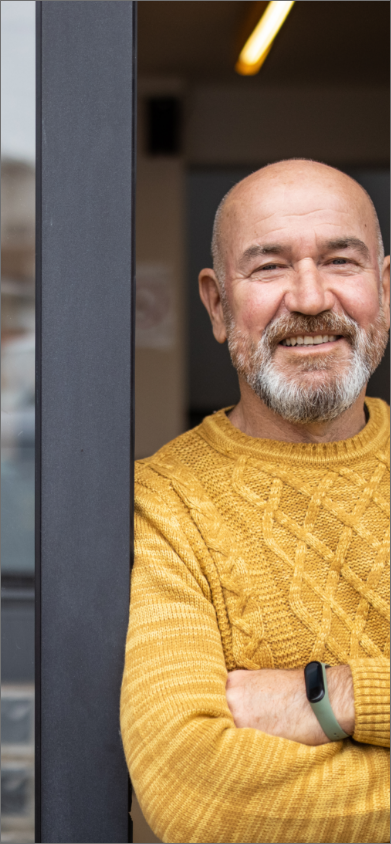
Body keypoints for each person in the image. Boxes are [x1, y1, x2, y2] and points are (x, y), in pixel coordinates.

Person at [120, 159, 390, 844]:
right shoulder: (163, 502)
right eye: (268, 267)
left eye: (340, 261)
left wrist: (334, 697)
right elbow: (197, 794)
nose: (308, 297)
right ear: (216, 304)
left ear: (383, 289)